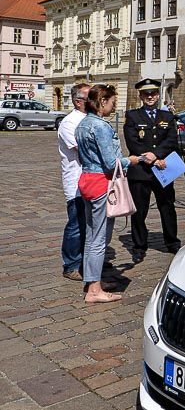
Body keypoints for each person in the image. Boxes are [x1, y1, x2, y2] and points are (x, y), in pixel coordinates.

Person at [75, 84, 150, 303]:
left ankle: (93, 280)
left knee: (91, 236)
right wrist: (134, 160)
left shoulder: (82, 124)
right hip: (101, 182)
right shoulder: (100, 126)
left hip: (87, 179)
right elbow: (111, 162)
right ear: (102, 102)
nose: (113, 106)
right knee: (99, 239)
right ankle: (94, 291)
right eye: (112, 102)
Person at [123, 78, 181, 264]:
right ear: (141, 96)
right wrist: (152, 159)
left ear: (158, 95)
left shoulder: (167, 117)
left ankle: (172, 242)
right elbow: (133, 142)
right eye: (146, 94)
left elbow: (171, 140)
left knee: (167, 207)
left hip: (163, 168)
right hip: (141, 171)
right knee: (139, 211)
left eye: (153, 93)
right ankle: (139, 246)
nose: (150, 97)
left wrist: (157, 156)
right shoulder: (133, 116)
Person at [58, 81, 90, 280]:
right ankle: (71, 265)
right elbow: (84, 150)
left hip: (93, 180)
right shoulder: (69, 122)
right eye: (90, 97)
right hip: (76, 181)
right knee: (76, 224)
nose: (95, 100)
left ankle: (88, 260)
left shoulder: (91, 119)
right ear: (78, 101)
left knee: (90, 224)